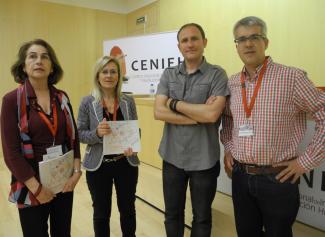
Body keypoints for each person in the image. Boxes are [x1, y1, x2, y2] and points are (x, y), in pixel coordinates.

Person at [220, 16, 325, 237]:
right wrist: (229, 147)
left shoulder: (292, 77)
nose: (248, 44)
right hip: (239, 176)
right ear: (236, 46)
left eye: (254, 37)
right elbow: (228, 118)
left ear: (265, 42)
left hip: (277, 179)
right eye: (242, 39)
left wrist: (305, 162)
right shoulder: (231, 82)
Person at [154, 23, 229, 237]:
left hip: (204, 160)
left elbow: (212, 115)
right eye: (184, 40)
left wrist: (174, 103)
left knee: (202, 217)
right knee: (172, 215)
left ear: (204, 42)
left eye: (194, 38)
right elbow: (158, 112)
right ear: (179, 46)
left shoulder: (217, 75)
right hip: (172, 156)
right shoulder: (169, 74)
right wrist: (198, 116)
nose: (190, 44)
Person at [0, 39, 81, 237]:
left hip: (63, 180)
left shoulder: (62, 97)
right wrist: (37, 189)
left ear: (52, 66)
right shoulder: (11, 100)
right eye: (32, 56)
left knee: (63, 233)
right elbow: (10, 153)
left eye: (45, 57)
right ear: (23, 66)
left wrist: (77, 172)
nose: (39, 61)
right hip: (30, 183)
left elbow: (73, 137)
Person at [77, 56, 140, 237]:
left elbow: (135, 131)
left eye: (113, 72)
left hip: (125, 163)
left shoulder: (128, 101)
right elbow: (79, 134)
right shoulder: (87, 102)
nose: (109, 75)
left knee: (128, 210)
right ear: (98, 76)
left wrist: (134, 145)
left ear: (119, 76)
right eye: (105, 71)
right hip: (99, 166)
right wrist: (96, 133)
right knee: (101, 213)